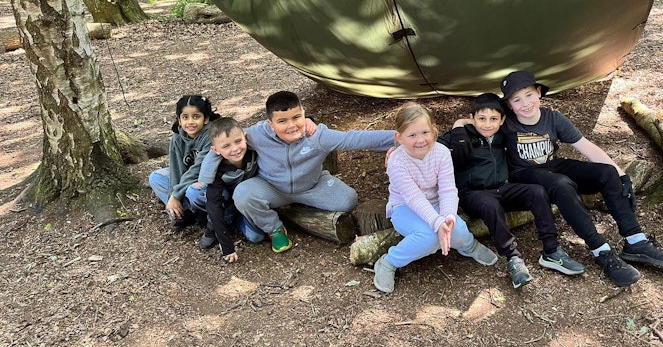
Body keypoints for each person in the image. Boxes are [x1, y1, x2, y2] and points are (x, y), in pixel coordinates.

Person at [499, 71, 663, 287]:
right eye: (516, 100)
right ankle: (601, 250)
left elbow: (587, 147)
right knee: (561, 184)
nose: (525, 103)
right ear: (509, 105)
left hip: (553, 166)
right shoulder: (506, 124)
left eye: (529, 95)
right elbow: (477, 123)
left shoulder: (553, 118)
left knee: (607, 173)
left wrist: (622, 175)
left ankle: (636, 241)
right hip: (524, 174)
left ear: (538, 92)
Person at [198, 90, 395, 253]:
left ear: (303, 113)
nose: (291, 125)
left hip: (311, 186)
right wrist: (204, 178)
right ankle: (275, 229)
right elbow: (220, 147)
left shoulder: (318, 136)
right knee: (243, 193)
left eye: (297, 117)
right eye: (282, 121)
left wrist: (400, 138)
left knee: (348, 200)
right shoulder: (256, 134)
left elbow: (356, 138)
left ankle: (298, 204)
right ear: (270, 124)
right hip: (272, 187)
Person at [440, 93, 584, 288]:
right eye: (481, 119)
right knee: (489, 204)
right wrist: (458, 129)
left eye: (493, 119)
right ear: (472, 118)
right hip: (473, 194)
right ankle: (513, 258)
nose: (487, 125)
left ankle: (551, 251)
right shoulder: (462, 135)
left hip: (502, 188)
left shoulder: (503, 135)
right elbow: (430, 146)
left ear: (502, 121)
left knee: (537, 192)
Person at [373, 102, 499, 294]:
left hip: (436, 203)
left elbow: (448, 189)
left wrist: (448, 217)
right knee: (428, 237)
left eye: (425, 132)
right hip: (405, 207)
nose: (420, 140)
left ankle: (469, 246)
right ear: (399, 137)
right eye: (412, 135)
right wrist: (437, 222)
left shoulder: (441, 153)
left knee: (458, 230)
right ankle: (389, 261)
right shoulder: (397, 162)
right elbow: (413, 198)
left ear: (433, 131)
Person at [197, 117, 268, 263]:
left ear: (245, 137)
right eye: (226, 146)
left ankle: (233, 218)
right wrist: (227, 246)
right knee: (206, 198)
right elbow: (214, 205)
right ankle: (213, 225)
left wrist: (308, 121)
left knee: (257, 237)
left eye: (238, 141)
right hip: (225, 200)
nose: (235, 149)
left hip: (246, 200)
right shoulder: (216, 169)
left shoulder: (254, 152)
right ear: (215, 150)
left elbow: (272, 128)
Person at [148, 95, 220, 231]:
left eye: (196, 117)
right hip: (186, 181)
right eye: (185, 117)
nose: (190, 122)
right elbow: (176, 170)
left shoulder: (211, 136)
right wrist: (173, 198)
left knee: (194, 192)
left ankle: (201, 213)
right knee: (156, 177)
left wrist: (176, 195)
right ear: (179, 120)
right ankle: (181, 212)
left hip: (206, 181)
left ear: (206, 118)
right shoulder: (177, 139)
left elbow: (198, 170)